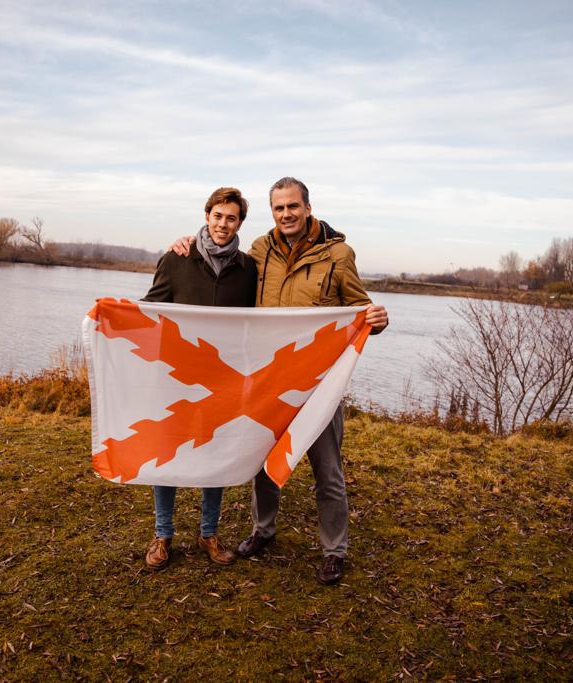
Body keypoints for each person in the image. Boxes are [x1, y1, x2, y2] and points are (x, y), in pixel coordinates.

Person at [170, 177, 389, 584]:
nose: (286, 214)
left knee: (327, 470)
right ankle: (263, 530)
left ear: (307, 208)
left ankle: (334, 550)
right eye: (278, 208)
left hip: (319, 385)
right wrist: (186, 246)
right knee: (264, 463)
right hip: (270, 383)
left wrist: (377, 321)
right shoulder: (260, 251)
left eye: (293, 207)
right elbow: (221, 266)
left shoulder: (339, 254)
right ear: (272, 212)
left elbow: (360, 310)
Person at [141, 186, 258, 571]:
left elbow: (254, 324)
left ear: (240, 222)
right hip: (175, 374)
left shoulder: (248, 268)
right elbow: (150, 311)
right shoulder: (176, 259)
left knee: (215, 452)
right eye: (218, 216)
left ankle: (209, 532)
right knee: (169, 451)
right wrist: (111, 318)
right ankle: (163, 535)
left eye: (232, 218)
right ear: (207, 215)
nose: (224, 224)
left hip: (222, 378)